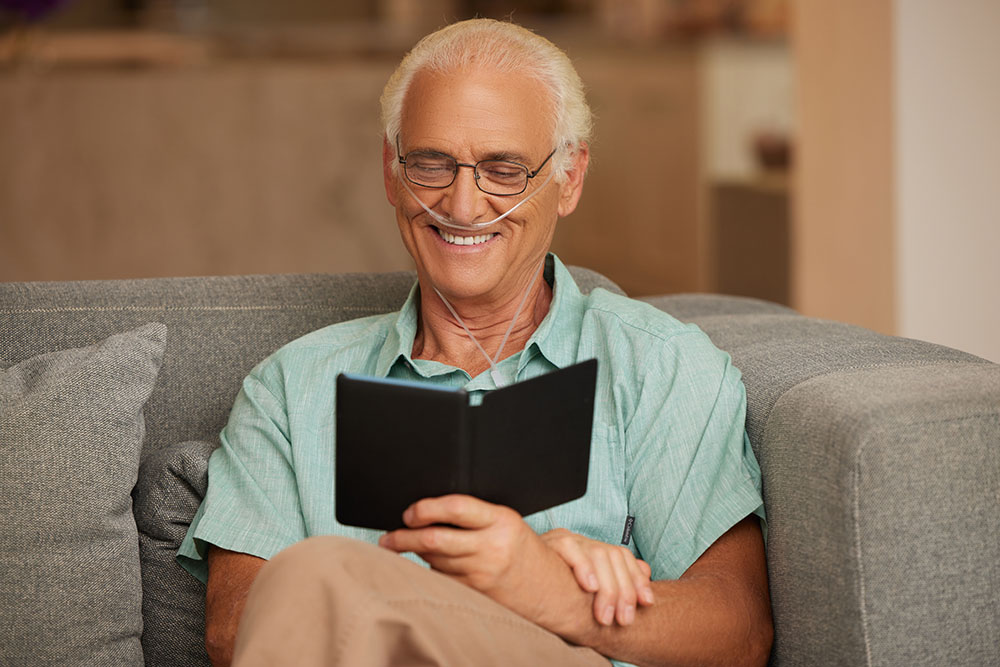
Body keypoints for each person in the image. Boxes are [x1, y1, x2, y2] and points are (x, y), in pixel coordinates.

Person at [178, 17, 772, 667]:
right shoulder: (290, 390)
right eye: (431, 164)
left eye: (504, 169)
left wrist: (557, 593)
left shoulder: (661, 366)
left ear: (570, 177)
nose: (462, 206)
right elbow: (235, 633)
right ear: (390, 172)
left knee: (314, 576)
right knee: (311, 578)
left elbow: (739, 631)